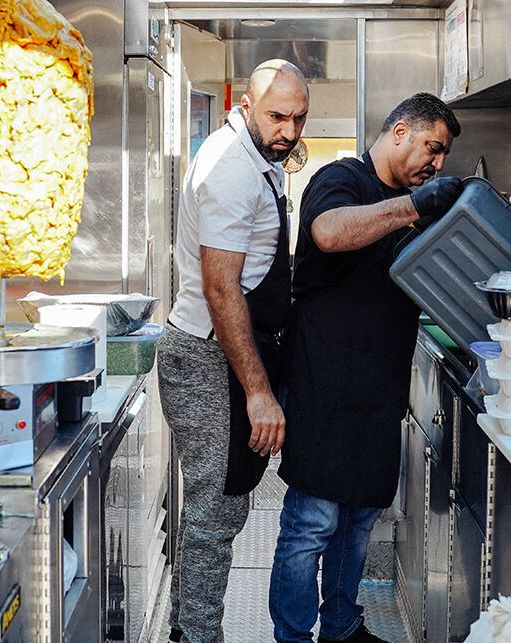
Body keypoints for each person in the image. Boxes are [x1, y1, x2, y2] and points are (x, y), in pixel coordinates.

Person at [269, 91, 464, 643]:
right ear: (399, 130)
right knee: (313, 524)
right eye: (433, 147)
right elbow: (329, 234)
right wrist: (415, 207)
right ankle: (292, 635)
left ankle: (341, 627)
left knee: (357, 525)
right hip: (323, 383)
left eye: (444, 155)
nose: (437, 163)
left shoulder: (414, 199)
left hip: (379, 390)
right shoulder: (341, 178)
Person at [159, 58, 310, 643]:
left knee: (214, 509)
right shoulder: (231, 170)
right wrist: (258, 393)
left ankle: (187, 632)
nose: (289, 132)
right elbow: (222, 289)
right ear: (247, 106)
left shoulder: (255, 157)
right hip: (205, 358)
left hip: (217, 353)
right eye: (277, 117)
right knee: (213, 518)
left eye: (299, 118)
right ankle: (197, 637)